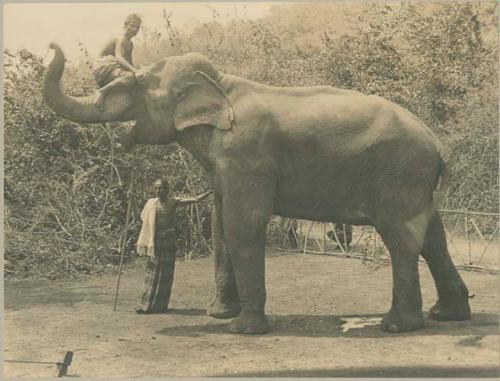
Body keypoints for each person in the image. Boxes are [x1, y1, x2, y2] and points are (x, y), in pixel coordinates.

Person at [132, 179, 211, 314]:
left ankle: (160, 305)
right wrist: (132, 200)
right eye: (156, 189)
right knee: (152, 271)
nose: (158, 191)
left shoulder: (173, 202)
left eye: (161, 188)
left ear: (167, 189)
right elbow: (139, 217)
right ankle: (145, 304)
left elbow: (195, 200)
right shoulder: (151, 204)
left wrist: (209, 192)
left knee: (165, 272)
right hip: (155, 241)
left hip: (168, 240)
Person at [93, 13, 149, 111]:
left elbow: (129, 64)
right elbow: (119, 58)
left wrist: (139, 70)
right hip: (103, 67)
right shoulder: (121, 38)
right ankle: (102, 91)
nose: (135, 29)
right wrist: (135, 72)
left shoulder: (130, 44)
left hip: (112, 68)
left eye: (137, 27)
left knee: (135, 78)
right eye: (132, 25)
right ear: (126, 25)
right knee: (130, 77)